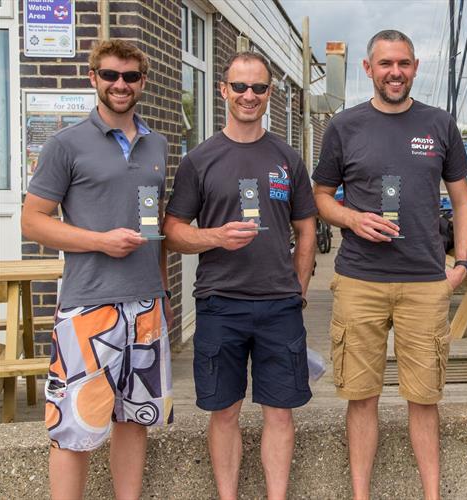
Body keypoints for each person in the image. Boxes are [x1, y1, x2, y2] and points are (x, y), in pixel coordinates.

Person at [312, 29, 467, 500]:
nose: (395, 72)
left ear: (415, 66)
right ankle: (360, 494)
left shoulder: (439, 124)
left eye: (403, 63)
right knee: (360, 398)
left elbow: (463, 203)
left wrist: (460, 265)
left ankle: (432, 494)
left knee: (424, 399)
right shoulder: (345, 126)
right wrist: (351, 218)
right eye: (385, 64)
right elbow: (320, 197)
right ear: (368, 69)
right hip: (359, 279)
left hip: (425, 282)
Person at [21, 40, 173, 499]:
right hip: (89, 304)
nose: (119, 84)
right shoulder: (65, 145)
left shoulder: (157, 143)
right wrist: (100, 242)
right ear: (93, 79)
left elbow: (156, 225)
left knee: (135, 419)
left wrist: (163, 293)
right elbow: (33, 222)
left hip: (146, 305)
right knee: (73, 428)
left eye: (129, 76)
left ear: (142, 82)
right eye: (110, 75)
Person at [163, 52, 317, 500]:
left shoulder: (287, 158)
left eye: (259, 88)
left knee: (281, 412)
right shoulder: (199, 159)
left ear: (269, 94)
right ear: (223, 90)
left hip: (278, 305)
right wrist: (213, 237)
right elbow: (172, 232)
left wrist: (299, 287)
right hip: (219, 303)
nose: (249, 96)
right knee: (224, 412)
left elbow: (306, 228)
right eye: (240, 87)